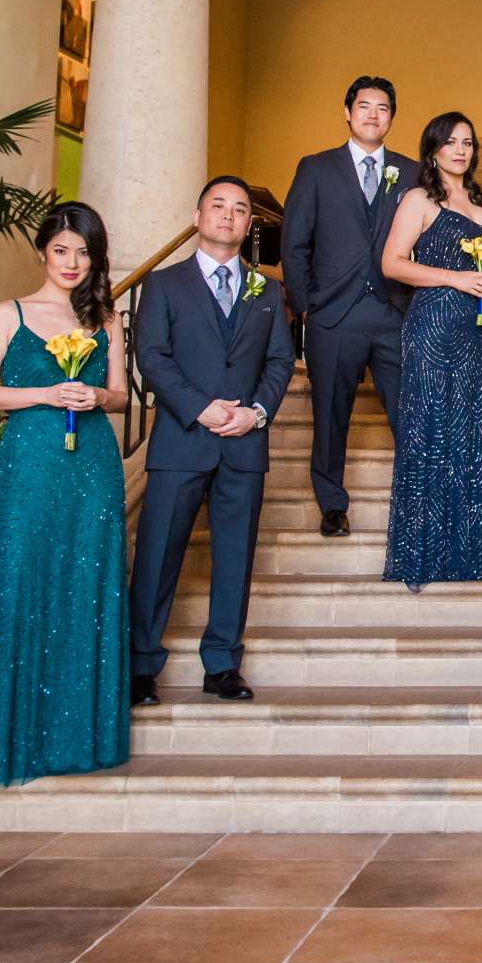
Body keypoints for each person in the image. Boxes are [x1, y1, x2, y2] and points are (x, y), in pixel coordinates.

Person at [0, 202, 131, 784]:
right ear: (43, 252)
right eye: (62, 250)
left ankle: (80, 741)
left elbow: (121, 397)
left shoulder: (106, 318)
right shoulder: (9, 313)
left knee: (88, 585)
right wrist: (44, 394)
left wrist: (93, 399)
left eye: (84, 253)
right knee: (21, 579)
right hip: (30, 463)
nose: (72, 262)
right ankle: (16, 741)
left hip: (92, 466)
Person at [129, 175, 295, 705]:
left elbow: (279, 361)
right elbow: (151, 356)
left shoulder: (267, 291)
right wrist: (199, 407)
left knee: (234, 558)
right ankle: (140, 665)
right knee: (157, 555)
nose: (229, 215)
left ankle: (222, 665)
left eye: (240, 209)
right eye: (218, 206)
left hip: (244, 445)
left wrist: (257, 413)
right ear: (198, 217)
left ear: (249, 226)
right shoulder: (163, 284)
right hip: (182, 439)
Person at [377, 110, 482, 591]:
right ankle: (423, 556)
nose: (460, 150)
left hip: (477, 330)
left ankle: (473, 553)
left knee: (474, 435)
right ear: (433, 148)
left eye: (468, 142)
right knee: (430, 432)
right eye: (451, 141)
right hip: (432, 325)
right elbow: (392, 263)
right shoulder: (419, 199)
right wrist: (456, 277)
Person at [283, 76, 417, 537]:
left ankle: (417, 499)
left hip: (393, 312)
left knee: (411, 410)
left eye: (383, 108)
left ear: (391, 117)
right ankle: (331, 503)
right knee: (330, 414)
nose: (373, 114)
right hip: (333, 315)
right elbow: (295, 243)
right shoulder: (316, 168)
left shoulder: (413, 172)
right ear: (347, 111)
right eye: (364, 106)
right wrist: (307, 307)